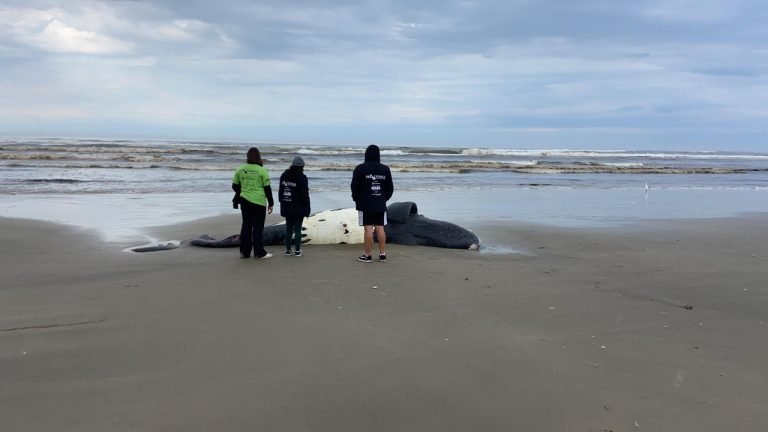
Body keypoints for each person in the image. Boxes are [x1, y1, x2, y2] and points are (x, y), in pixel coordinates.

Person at [350, 144, 394, 262]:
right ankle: (382, 254)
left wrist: (356, 199)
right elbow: (390, 188)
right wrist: (384, 199)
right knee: (380, 228)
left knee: (368, 229)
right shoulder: (385, 169)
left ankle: (367, 255)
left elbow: (354, 186)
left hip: (365, 203)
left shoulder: (360, 168)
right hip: (380, 203)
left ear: (366, 154)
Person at [232, 147, 274, 259]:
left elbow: (234, 186)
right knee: (258, 228)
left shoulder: (240, 169)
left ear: (248, 156)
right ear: (258, 157)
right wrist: (271, 203)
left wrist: (244, 190)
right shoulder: (262, 170)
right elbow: (267, 189)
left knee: (246, 226)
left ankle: (244, 253)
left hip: (244, 201)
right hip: (259, 202)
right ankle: (259, 253)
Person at [278, 155, 311, 257]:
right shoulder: (302, 178)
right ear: (302, 167)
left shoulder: (284, 175)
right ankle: (297, 251)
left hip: (286, 204)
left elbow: (281, 190)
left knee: (288, 228)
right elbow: (304, 194)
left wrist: (281, 201)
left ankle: (288, 250)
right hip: (298, 206)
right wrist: (307, 207)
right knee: (297, 229)